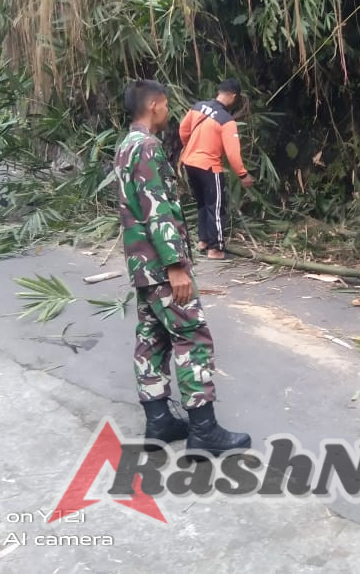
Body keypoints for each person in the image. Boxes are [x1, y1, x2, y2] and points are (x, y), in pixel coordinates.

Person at [114, 79, 250, 455]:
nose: (169, 111)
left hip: (141, 264)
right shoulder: (148, 147)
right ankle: (203, 430)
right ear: (155, 104)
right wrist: (176, 266)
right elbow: (157, 209)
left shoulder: (125, 146)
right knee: (192, 334)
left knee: (152, 338)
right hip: (161, 265)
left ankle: (158, 421)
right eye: (167, 105)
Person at [178, 77, 254, 259]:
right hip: (209, 166)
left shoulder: (198, 107)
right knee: (216, 206)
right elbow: (233, 154)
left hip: (190, 162)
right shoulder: (226, 121)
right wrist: (243, 175)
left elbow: (182, 129)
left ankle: (203, 240)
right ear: (233, 96)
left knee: (202, 203)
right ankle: (216, 249)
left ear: (219, 92)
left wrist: (191, 147)